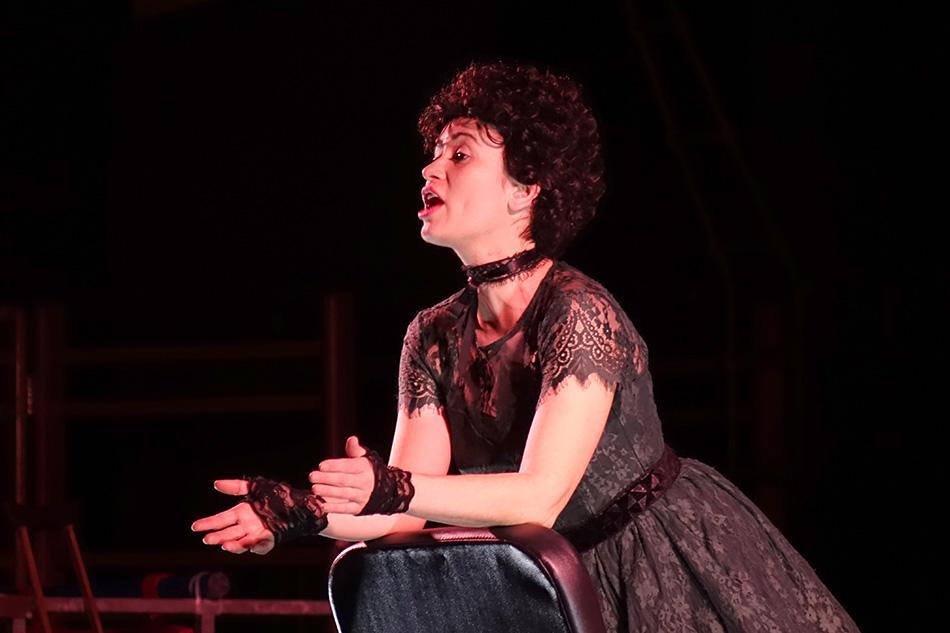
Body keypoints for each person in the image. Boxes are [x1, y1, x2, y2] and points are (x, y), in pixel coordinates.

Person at [192, 61, 859, 632]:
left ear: (526, 188)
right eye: (435, 152)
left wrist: (391, 488)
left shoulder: (576, 310)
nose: (430, 166)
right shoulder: (432, 334)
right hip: (548, 578)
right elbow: (400, 517)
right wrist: (299, 514)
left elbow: (537, 497)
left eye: (459, 155)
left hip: (656, 563)